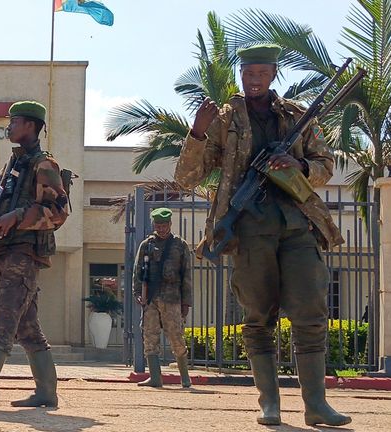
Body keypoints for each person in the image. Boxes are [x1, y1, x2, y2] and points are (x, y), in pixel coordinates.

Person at [174, 44, 350, 427]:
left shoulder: (298, 116)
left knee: (310, 313)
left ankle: (316, 405)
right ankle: (269, 404)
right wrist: (197, 133)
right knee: (257, 318)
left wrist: (298, 163)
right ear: (241, 74)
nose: (253, 80)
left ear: (273, 75)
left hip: (298, 223)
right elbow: (188, 177)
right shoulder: (225, 119)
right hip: (250, 230)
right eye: (247, 73)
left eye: (260, 73)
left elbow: (325, 165)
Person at [0, 100, 69, 409]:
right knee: (27, 327)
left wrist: (19, 216)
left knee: (5, 318)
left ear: (31, 126)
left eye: (15, 121)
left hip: (25, 253)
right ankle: (46, 392)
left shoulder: (43, 165)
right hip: (5, 252)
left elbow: (60, 211)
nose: (9, 126)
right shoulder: (12, 167)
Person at [132, 207, 193, 388]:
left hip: (172, 297)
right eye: (158, 225)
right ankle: (155, 378)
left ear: (170, 224)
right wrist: (137, 293)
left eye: (164, 225)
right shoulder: (146, 245)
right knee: (150, 336)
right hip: (151, 297)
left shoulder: (180, 245)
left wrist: (186, 302)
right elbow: (137, 272)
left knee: (176, 336)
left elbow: (187, 275)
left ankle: (185, 377)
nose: (161, 228)